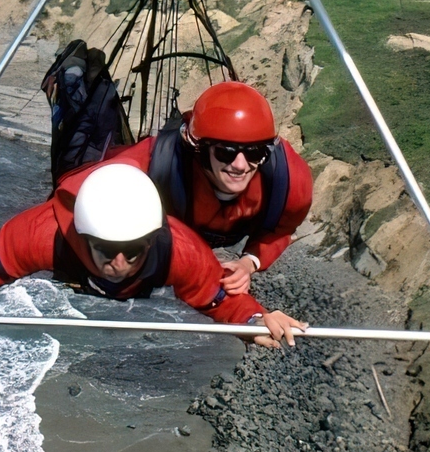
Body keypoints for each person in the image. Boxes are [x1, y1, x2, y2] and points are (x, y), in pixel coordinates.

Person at [0, 161, 307, 348]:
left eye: (133, 252)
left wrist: (256, 318)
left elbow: (219, 297)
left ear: (151, 240)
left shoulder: (180, 249)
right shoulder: (43, 233)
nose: (119, 264)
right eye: (106, 251)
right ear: (85, 237)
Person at [65, 81, 312, 296]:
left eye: (254, 153)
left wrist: (248, 263)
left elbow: (282, 230)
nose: (240, 165)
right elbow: (72, 197)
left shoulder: (289, 182)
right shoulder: (152, 163)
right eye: (225, 152)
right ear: (200, 150)